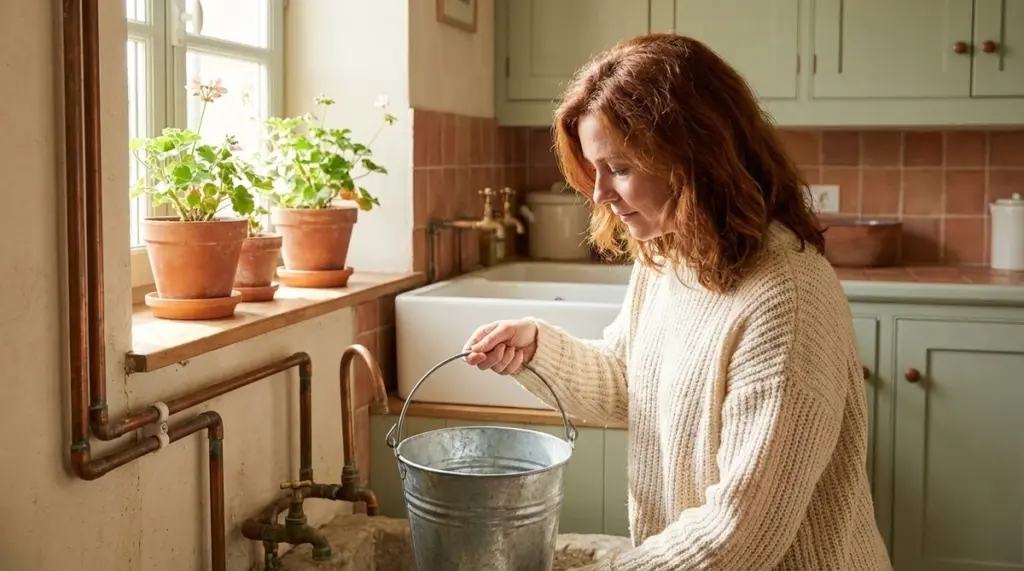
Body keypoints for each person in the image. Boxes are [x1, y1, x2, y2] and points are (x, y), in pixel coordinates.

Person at [462, 33, 893, 571]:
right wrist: (537, 350)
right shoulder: (668, 255)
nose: (598, 194)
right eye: (594, 168)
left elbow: (736, 535)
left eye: (619, 167)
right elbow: (630, 383)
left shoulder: (787, 297)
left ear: (698, 157)